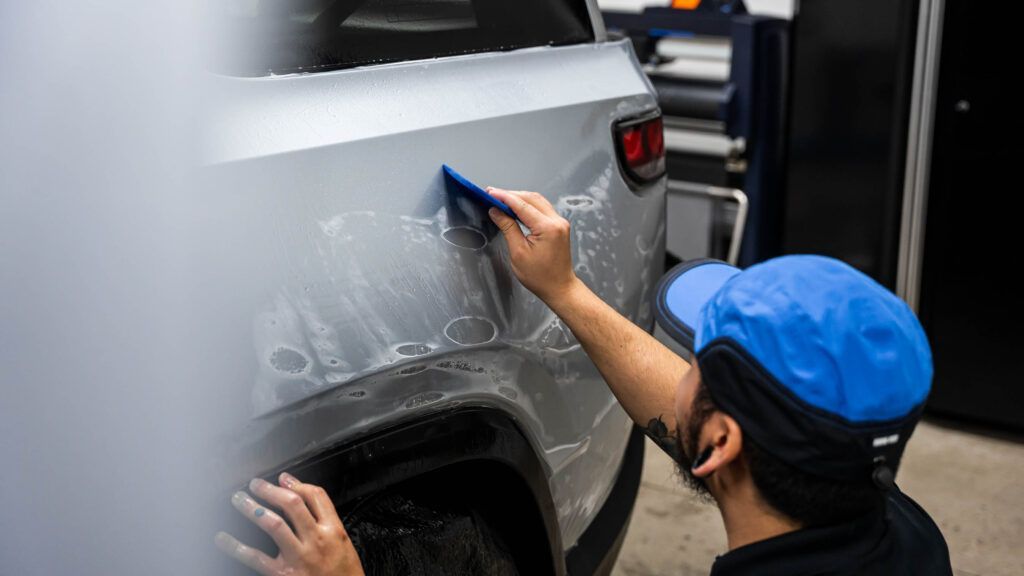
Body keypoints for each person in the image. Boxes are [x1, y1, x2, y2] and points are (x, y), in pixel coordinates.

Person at [216, 188, 953, 575]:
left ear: (723, 443)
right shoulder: (900, 529)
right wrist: (565, 292)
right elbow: (689, 414)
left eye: (696, 361)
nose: (681, 372)